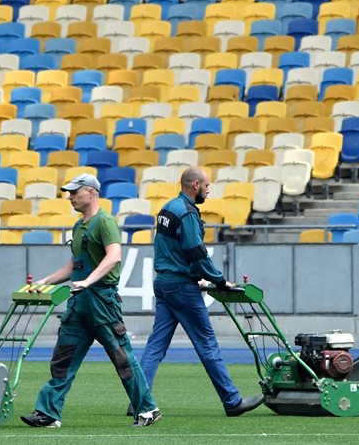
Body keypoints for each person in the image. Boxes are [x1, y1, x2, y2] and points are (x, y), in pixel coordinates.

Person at [21, 173, 161, 429]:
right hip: (78, 304)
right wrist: (45, 282)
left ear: (92, 193)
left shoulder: (105, 222)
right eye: (69, 192)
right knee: (63, 358)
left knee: (122, 358)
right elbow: (74, 266)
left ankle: (147, 409)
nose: (70, 197)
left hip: (101, 302)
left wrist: (88, 281)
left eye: (75, 192)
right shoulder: (78, 226)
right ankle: (48, 412)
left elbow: (114, 256)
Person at [137, 166, 264, 417]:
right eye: (207, 185)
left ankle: (139, 400)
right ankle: (232, 401)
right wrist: (219, 281)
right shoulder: (187, 213)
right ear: (195, 185)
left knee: (155, 347)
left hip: (163, 282)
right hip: (182, 287)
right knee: (207, 345)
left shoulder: (167, 208)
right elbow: (196, 254)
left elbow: (169, 250)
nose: (209, 189)